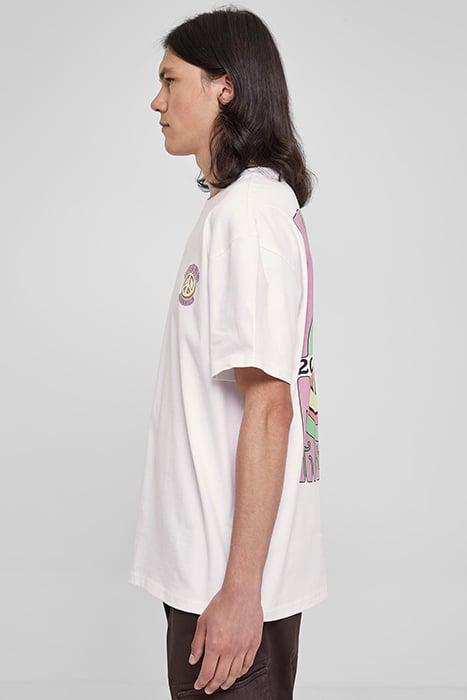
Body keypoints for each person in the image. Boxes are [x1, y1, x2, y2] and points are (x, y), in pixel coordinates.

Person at [128, 6, 327, 698]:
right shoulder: (235, 210)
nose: (156, 102)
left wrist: (241, 592)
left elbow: (271, 405)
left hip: (230, 590)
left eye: (169, 80)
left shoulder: (248, 215)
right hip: (213, 578)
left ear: (225, 87)